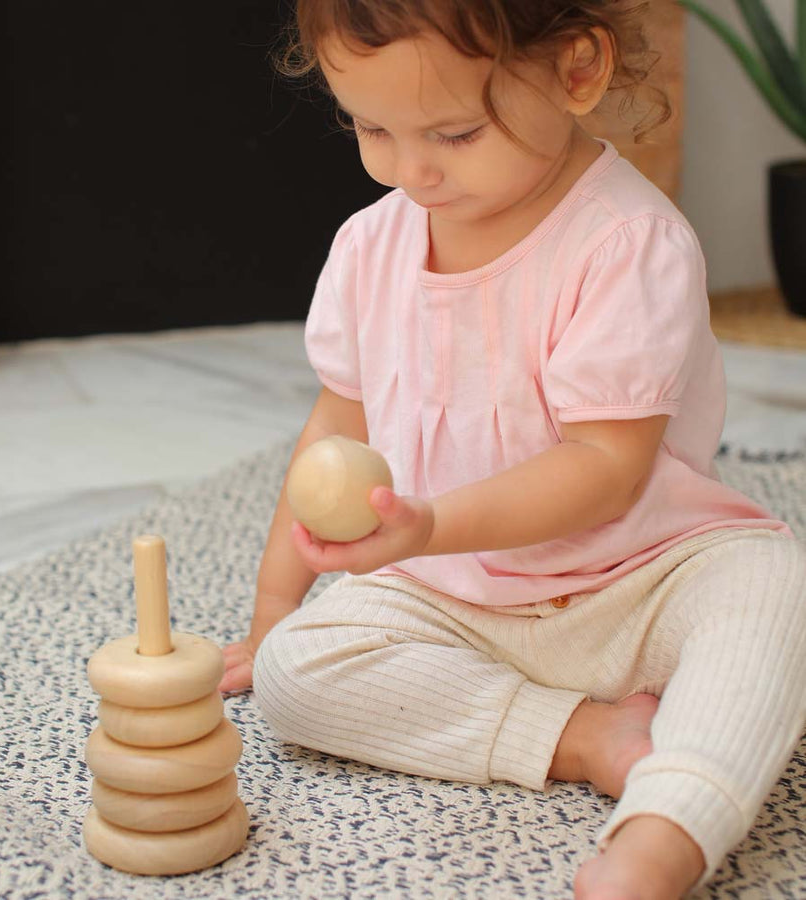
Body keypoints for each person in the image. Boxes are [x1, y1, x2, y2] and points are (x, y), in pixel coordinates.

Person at [220, 2, 806, 897]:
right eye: (372, 127)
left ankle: (667, 832)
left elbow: (605, 473)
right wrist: (271, 616)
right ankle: (581, 734)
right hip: (456, 599)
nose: (411, 170)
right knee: (297, 676)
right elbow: (336, 433)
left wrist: (427, 525)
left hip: (638, 582)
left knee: (772, 593)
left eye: (454, 133)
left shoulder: (627, 244)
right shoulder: (368, 250)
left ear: (576, 70)